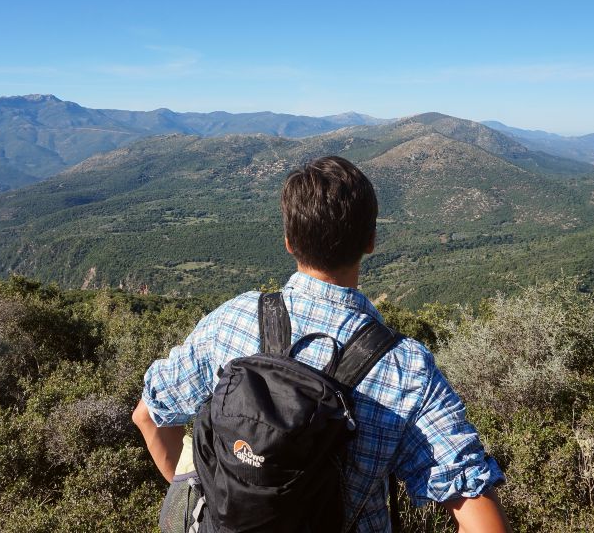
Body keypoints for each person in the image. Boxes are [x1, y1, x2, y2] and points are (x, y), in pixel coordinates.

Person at [132, 156, 511, 532]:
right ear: (371, 241)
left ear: (288, 240)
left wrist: (218, 504)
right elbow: (481, 518)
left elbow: (148, 416)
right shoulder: (406, 368)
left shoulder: (231, 321)